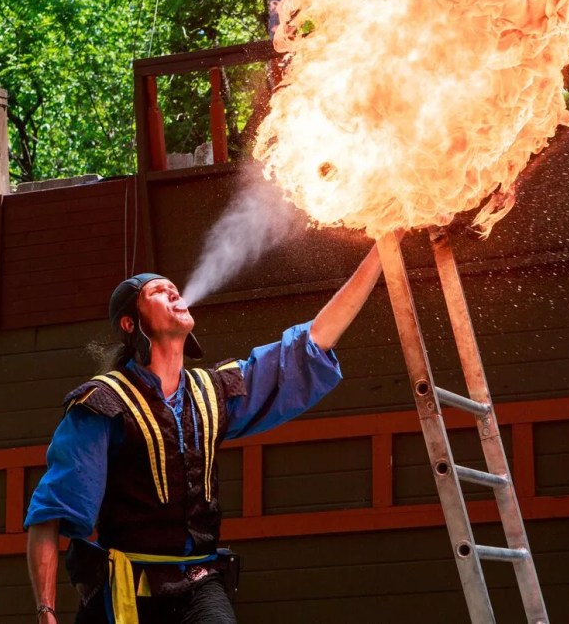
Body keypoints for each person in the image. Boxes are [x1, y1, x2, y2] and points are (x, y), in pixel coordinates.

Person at [25, 247, 382, 624]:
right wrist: (46, 613)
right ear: (131, 324)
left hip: (198, 583)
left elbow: (307, 347)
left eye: (174, 288)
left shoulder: (213, 391)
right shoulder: (103, 404)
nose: (174, 293)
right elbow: (47, 517)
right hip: (125, 592)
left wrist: (379, 253)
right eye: (158, 292)